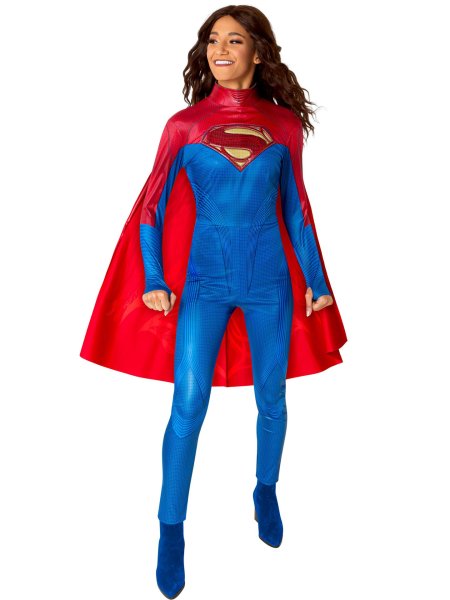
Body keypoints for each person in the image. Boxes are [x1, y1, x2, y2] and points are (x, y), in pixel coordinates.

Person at [80, 6, 347, 599]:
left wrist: (315, 279)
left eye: (234, 39)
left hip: (270, 285)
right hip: (204, 285)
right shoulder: (184, 125)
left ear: (259, 51)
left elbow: (297, 209)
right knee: (188, 404)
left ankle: (265, 490)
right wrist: (154, 277)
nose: (220, 49)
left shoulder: (284, 126)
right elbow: (151, 207)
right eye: (212, 39)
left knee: (272, 400)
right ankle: (170, 530)